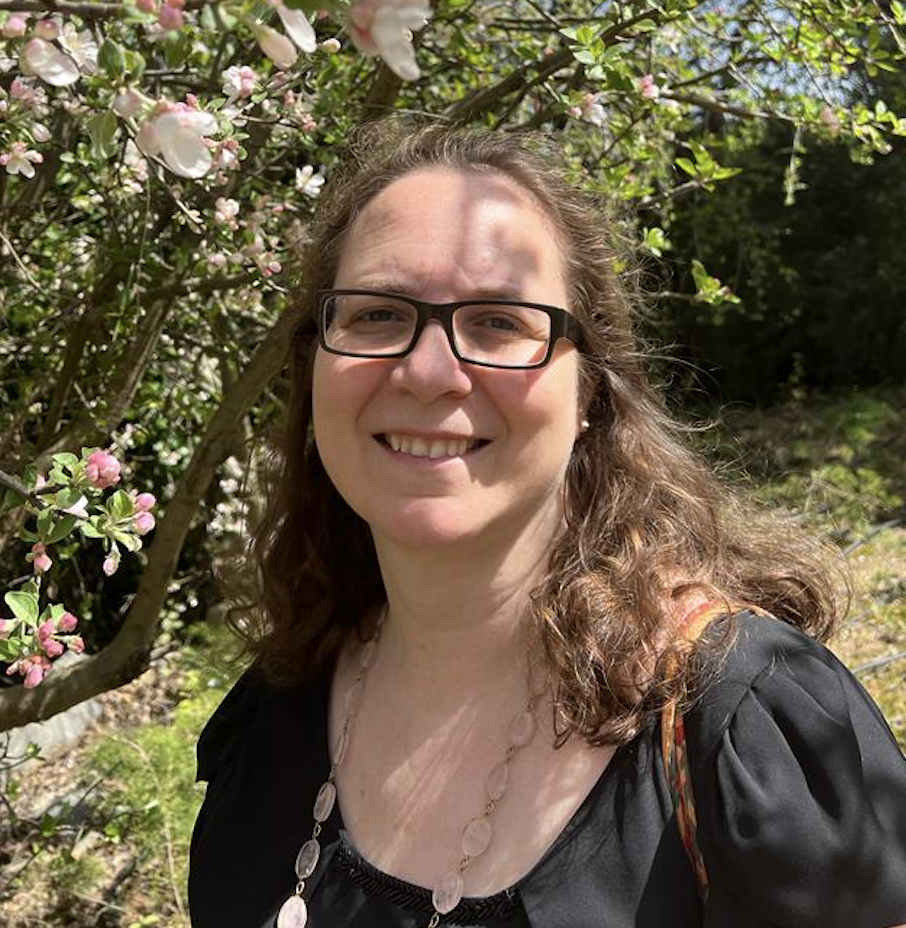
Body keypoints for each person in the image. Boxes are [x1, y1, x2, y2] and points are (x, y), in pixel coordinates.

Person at [188, 123, 906, 928]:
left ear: (591, 393)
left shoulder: (738, 727)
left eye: (498, 322)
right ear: (314, 362)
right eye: (378, 314)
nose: (428, 372)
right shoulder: (277, 707)